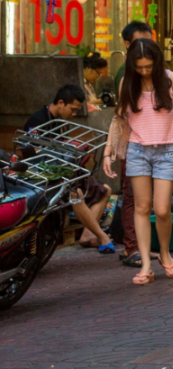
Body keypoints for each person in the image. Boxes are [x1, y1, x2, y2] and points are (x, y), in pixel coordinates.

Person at [103, 39, 173, 285]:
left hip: (168, 150)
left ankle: (164, 253)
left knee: (162, 209)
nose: (144, 71)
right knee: (141, 208)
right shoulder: (126, 82)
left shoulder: (171, 79)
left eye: (148, 66)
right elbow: (119, 119)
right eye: (139, 67)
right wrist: (109, 151)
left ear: (157, 61)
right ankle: (146, 265)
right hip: (137, 150)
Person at [21, 85, 115, 254]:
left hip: (64, 172)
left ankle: (88, 235)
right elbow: (30, 153)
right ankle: (102, 236)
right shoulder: (38, 120)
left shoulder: (60, 122)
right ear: (61, 103)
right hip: (46, 177)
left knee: (105, 190)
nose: (73, 114)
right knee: (75, 194)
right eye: (72, 110)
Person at [115, 20, 155, 268]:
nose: (146, 48)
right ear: (128, 44)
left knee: (144, 199)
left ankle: (138, 245)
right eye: (141, 42)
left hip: (153, 143)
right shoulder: (126, 73)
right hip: (132, 143)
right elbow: (120, 117)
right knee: (132, 196)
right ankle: (132, 248)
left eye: (149, 42)